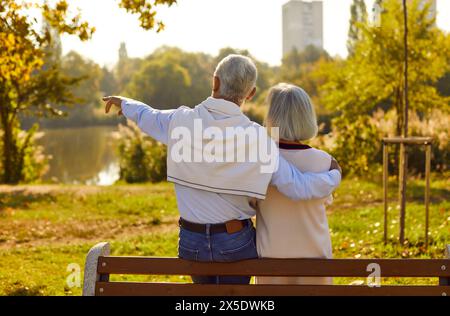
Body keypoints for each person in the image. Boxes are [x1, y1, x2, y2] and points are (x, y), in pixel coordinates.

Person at [103, 54, 342, 285]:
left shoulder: (180, 122)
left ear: (214, 82)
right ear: (251, 93)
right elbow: (297, 187)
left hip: (191, 243)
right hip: (235, 244)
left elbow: (148, 116)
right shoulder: (257, 138)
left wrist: (125, 103)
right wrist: (333, 175)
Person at [256, 83, 338, 285]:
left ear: (272, 117)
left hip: (271, 259)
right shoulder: (325, 162)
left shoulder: (259, 161)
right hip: (315, 258)